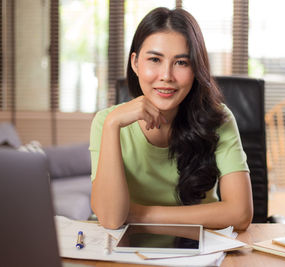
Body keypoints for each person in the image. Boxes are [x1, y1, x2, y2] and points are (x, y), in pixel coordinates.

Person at [89, 7, 253, 230]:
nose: (166, 76)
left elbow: (240, 213)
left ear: (196, 69)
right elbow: (110, 219)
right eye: (155, 59)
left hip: (204, 247)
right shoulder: (107, 121)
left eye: (181, 63)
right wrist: (112, 125)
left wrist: (138, 214)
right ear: (136, 63)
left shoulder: (218, 118)